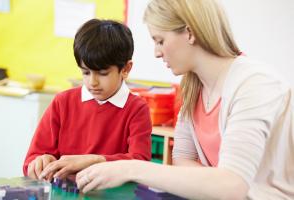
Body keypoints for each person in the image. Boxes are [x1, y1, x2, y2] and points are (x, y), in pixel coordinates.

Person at [75, 0, 294, 199]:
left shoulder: (254, 84)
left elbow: (231, 186)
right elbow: (182, 160)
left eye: (160, 40)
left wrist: (130, 168)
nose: (157, 53)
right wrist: (216, 181)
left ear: (189, 33)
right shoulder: (193, 88)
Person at [23, 19, 152, 181]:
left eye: (103, 73)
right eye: (85, 72)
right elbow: (31, 161)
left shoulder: (136, 108)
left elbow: (140, 163)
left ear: (126, 69)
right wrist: (39, 162)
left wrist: (93, 160)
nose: (92, 82)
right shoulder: (62, 102)